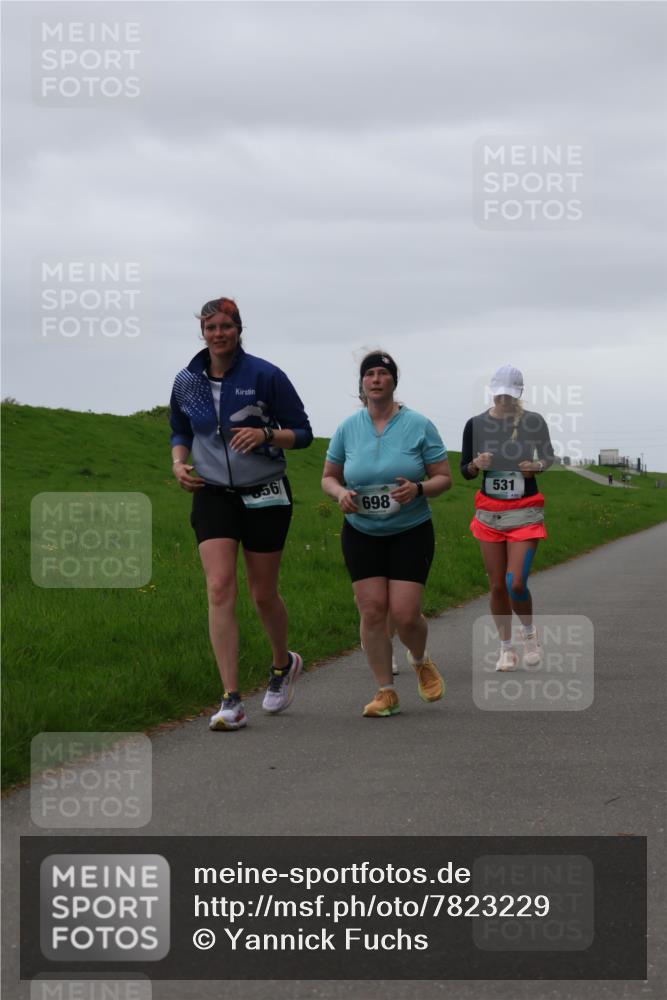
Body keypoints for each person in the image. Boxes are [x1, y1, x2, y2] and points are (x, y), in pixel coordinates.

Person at [169, 296, 313, 730]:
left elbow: (303, 433)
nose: (218, 334)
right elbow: (179, 428)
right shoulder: (187, 380)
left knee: (262, 593)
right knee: (218, 587)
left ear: (238, 330)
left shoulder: (266, 375)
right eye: (211, 328)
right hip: (212, 491)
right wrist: (178, 463)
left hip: (265, 489)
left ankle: (281, 665)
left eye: (226, 327)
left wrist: (267, 433)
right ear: (203, 332)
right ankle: (231, 698)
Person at [321, 351, 452, 717]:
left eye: (383, 374)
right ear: (362, 384)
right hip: (361, 531)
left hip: (410, 529)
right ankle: (385, 691)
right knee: (373, 610)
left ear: (394, 381)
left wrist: (419, 489)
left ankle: (420, 659)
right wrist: (340, 493)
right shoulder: (348, 428)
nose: (376, 379)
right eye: (370, 374)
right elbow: (328, 477)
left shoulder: (419, 425)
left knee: (406, 614)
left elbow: (444, 477)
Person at [460, 364, 554, 671]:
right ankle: (506, 648)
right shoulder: (474, 425)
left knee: (516, 583)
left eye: (510, 396)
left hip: (525, 511)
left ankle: (529, 635)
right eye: (500, 395)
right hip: (490, 513)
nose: (504, 401)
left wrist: (535, 467)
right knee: (497, 586)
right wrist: (476, 463)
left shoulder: (534, 422)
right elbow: (465, 470)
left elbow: (549, 457)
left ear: (520, 394)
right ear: (492, 392)